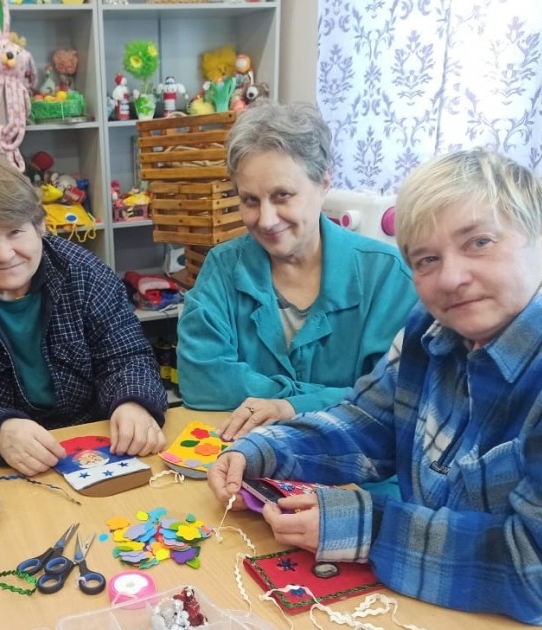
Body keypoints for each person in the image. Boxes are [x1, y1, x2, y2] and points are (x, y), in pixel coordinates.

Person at [208, 149, 542, 630]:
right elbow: (371, 422)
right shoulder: (438, 323)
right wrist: (264, 450)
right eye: (427, 259)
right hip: (455, 618)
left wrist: (370, 528)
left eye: (479, 242)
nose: (450, 278)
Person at [0, 158, 168, 476]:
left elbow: (127, 356)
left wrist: (134, 403)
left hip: (93, 439)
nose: (4, 254)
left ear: (40, 226)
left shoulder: (86, 274)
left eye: (15, 231)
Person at [177, 101, 417, 441]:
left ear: (324, 183)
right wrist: (325, 397)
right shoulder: (223, 266)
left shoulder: (388, 275)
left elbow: (394, 399)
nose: (266, 220)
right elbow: (201, 382)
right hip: (247, 458)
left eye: (282, 196)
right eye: (250, 200)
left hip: (353, 463)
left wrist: (291, 406)